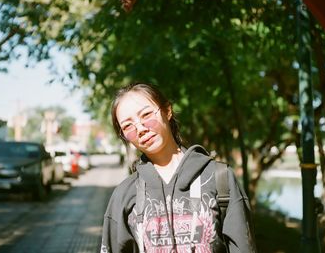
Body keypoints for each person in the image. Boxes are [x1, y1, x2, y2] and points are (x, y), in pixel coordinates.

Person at [101, 83, 256, 253]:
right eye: (128, 126)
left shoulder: (219, 179)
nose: (140, 129)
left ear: (167, 111)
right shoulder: (123, 194)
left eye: (146, 114)